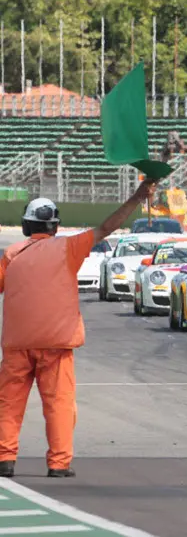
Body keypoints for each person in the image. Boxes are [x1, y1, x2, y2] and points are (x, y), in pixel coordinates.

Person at [0, 180, 158, 479]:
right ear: (55, 227)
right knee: (59, 404)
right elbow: (107, 228)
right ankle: (58, 464)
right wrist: (137, 198)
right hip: (57, 344)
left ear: (26, 225)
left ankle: (4, 459)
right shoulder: (69, 248)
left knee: (8, 403)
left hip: (16, 345)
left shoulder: (12, 254)